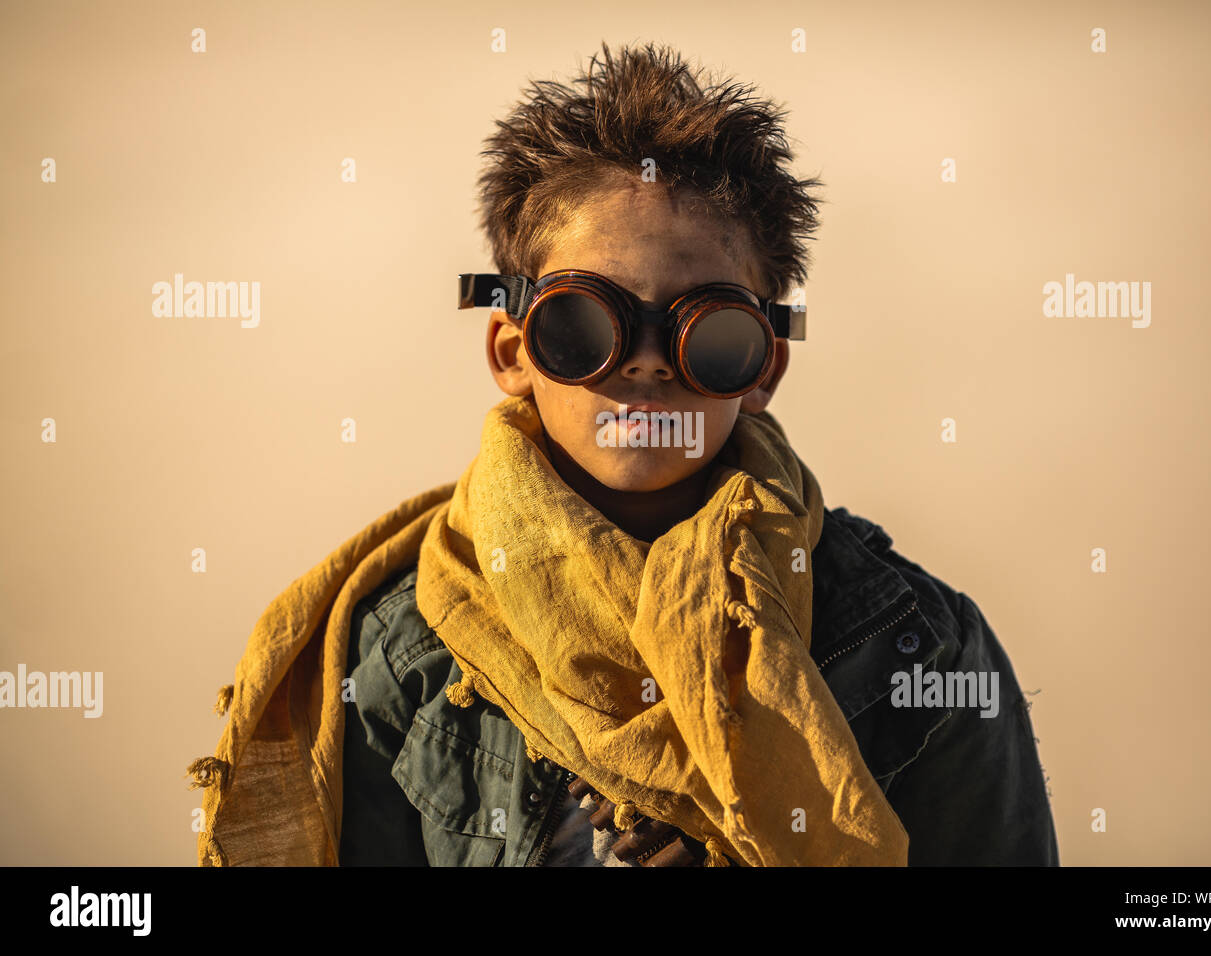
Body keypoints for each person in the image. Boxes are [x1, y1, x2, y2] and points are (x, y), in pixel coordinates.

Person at [189, 40, 1058, 868]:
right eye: (583, 324)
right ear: (513, 352)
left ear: (761, 368)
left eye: (705, 331)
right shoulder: (404, 650)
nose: (645, 363)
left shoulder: (919, 645)